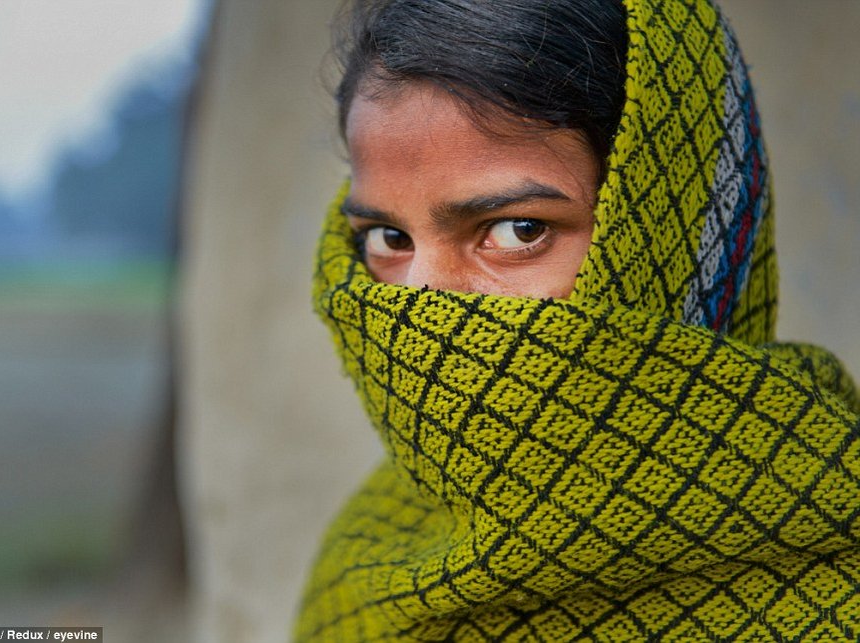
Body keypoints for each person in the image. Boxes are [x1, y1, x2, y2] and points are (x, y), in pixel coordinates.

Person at [295, 0, 860, 639]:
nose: (420, 304)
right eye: (388, 239)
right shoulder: (364, 570)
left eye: (519, 230)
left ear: (668, 236)